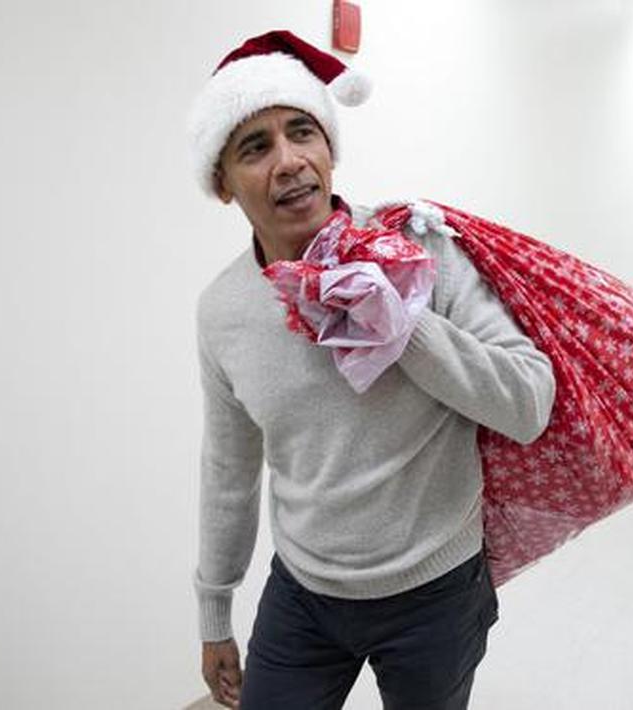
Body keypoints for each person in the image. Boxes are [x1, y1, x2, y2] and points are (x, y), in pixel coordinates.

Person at [188, 31, 556, 709]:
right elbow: (228, 470)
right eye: (255, 147)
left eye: (303, 132)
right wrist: (214, 611)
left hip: (435, 592)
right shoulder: (223, 311)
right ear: (222, 184)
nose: (289, 161)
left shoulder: (420, 247)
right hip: (304, 593)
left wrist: (403, 325)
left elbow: (529, 402)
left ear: (330, 148)